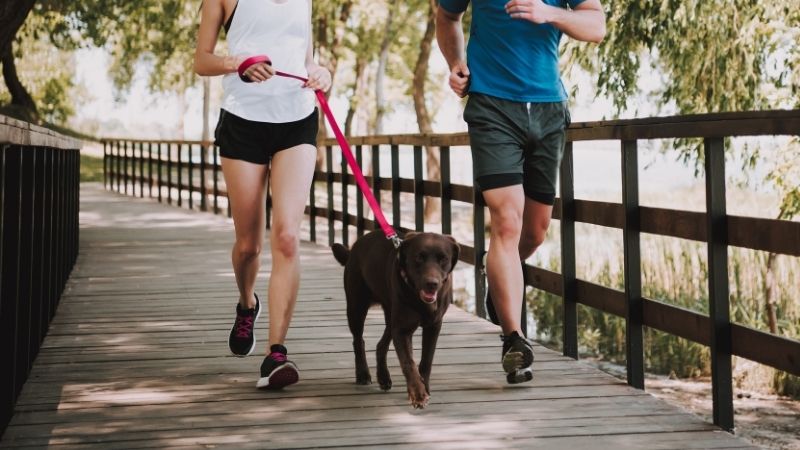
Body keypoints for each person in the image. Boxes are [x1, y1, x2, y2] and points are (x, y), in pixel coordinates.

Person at [436, 0, 605, 384]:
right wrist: (456, 63)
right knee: (506, 223)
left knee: (535, 231)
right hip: (491, 106)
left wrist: (552, 14)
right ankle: (513, 340)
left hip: (548, 108)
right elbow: (446, 15)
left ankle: (495, 275)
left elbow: (596, 26)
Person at [194, 0, 331, 389]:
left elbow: (306, 57)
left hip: (298, 120)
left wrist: (320, 72)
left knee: (287, 237)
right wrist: (237, 62)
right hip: (242, 121)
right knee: (249, 245)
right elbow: (201, 60)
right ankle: (246, 303)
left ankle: (276, 353)